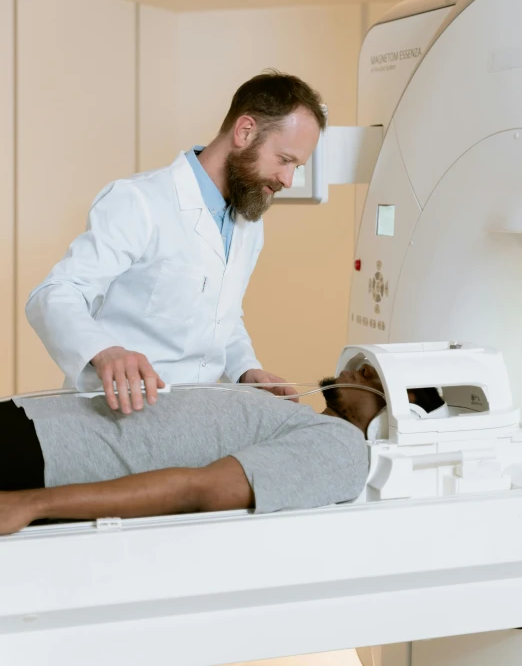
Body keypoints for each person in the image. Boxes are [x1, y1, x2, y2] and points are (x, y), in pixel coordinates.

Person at [26, 71, 326, 414]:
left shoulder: (248, 223)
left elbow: (221, 315)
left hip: (190, 419)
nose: (288, 179)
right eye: (285, 160)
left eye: (296, 167)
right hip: (112, 416)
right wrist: (104, 350)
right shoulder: (140, 200)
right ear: (245, 131)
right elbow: (56, 292)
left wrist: (245, 370)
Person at [0, 383, 368, 535]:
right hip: (36, 423)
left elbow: (199, 490)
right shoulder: (303, 419)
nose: (360, 369)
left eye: (374, 378)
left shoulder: (346, 448)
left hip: (47, 458)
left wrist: (32, 503)